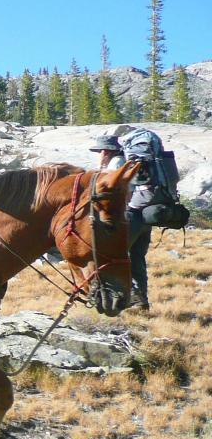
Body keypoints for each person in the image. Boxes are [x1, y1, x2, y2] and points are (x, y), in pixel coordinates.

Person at [89, 133, 151, 310]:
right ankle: (140, 300)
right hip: (143, 215)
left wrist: (101, 166)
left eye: (100, 151)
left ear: (105, 151)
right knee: (136, 258)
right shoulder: (128, 162)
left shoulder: (115, 165)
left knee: (113, 256)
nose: (99, 154)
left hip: (129, 216)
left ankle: (113, 299)